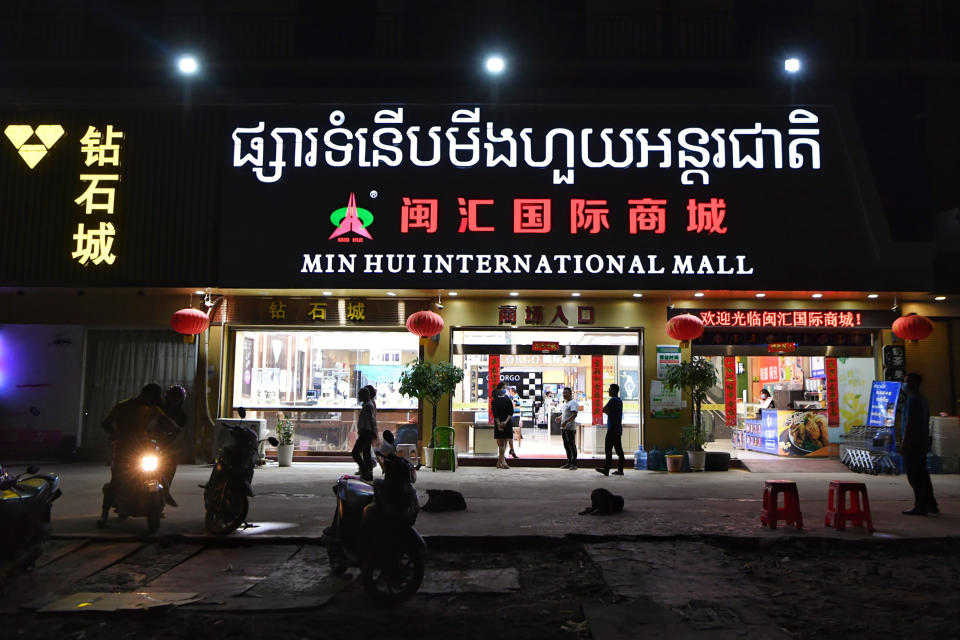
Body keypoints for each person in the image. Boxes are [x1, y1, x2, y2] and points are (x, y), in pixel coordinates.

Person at [98, 383, 179, 526]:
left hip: (143, 449)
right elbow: (106, 424)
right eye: (153, 397)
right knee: (116, 481)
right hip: (124, 450)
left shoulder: (153, 409)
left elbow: (169, 423)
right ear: (144, 394)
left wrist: (172, 430)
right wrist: (115, 434)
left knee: (159, 474)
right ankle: (104, 515)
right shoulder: (123, 406)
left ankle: (163, 497)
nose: (154, 400)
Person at [899, 373, 938, 515]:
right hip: (921, 442)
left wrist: (904, 443)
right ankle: (931, 504)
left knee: (914, 476)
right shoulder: (923, 400)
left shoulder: (913, 400)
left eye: (906, 382)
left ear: (914, 383)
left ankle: (920, 506)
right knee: (923, 474)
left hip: (913, 443)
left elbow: (909, 423)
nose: (904, 384)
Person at [160, 384, 188, 507]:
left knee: (170, 467)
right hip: (150, 443)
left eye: (177, 398)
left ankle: (165, 492)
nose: (174, 400)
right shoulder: (158, 409)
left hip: (167, 446)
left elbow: (177, 433)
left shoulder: (182, 415)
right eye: (172, 397)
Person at [597, 383, 624, 476]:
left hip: (612, 428)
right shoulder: (619, 400)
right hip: (618, 428)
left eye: (610, 389)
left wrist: (610, 414)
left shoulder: (613, 400)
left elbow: (604, 409)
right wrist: (612, 414)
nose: (608, 391)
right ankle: (620, 470)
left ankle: (607, 469)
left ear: (614, 391)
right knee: (618, 450)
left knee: (608, 449)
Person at [352, 387, 377, 481]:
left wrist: (374, 432)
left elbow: (371, 420)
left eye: (359, 395)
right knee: (366, 454)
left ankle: (365, 471)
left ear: (364, 395)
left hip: (366, 432)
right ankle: (368, 474)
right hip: (366, 432)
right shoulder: (367, 405)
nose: (358, 397)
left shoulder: (368, 406)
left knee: (355, 452)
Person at [491, 382, 515, 469]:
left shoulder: (494, 401)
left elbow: (495, 414)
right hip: (507, 424)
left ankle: (500, 462)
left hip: (498, 424)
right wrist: (505, 422)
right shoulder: (507, 399)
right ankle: (502, 462)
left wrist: (498, 424)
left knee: (500, 444)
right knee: (504, 443)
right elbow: (511, 412)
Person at [560, 387, 579, 470]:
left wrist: (566, 422)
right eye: (563, 393)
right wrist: (559, 418)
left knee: (571, 445)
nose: (564, 394)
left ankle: (574, 464)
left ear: (570, 394)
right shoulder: (566, 403)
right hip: (564, 428)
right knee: (566, 446)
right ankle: (569, 462)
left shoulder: (573, 403)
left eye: (566, 393)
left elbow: (574, 415)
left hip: (570, 428)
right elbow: (565, 414)